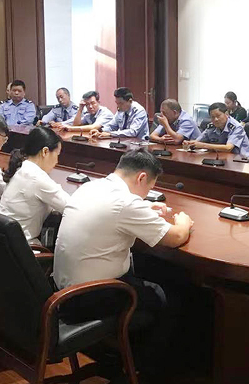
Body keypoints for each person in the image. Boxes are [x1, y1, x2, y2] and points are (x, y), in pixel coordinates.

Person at [53, 150, 194, 368]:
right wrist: (184, 222)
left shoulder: (91, 187)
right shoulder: (126, 203)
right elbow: (175, 237)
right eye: (149, 189)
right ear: (141, 178)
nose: (146, 195)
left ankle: (120, 356)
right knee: (169, 297)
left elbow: (113, 211)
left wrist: (145, 207)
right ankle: (144, 371)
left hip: (62, 292)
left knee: (146, 269)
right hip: (88, 297)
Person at [0, 126, 70, 245]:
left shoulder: (21, 167)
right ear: (45, 152)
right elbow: (70, 207)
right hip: (22, 247)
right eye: (57, 154)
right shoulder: (36, 177)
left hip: (2, 243)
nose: (57, 161)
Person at [185, 102, 249, 158]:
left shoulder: (236, 127)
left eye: (218, 116)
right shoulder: (211, 127)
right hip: (221, 158)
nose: (215, 119)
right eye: (212, 117)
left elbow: (228, 148)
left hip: (241, 160)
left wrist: (203, 145)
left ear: (226, 114)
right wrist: (190, 143)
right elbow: (198, 142)